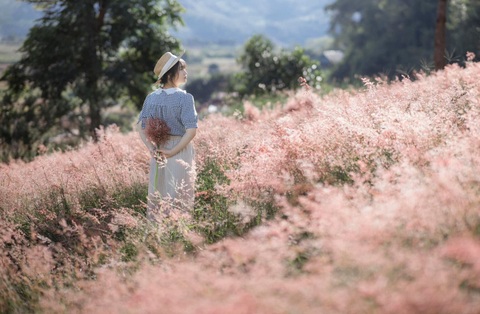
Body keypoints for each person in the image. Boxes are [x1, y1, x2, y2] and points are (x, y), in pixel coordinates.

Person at [137, 51, 198, 219]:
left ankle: (158, 236)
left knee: (159, 192)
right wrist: (173, 151)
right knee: (180, 194)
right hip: (180, 150)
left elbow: (140, 127)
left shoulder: (151, 98)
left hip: (158, 150)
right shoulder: (184, 98)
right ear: (170, 74)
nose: (186, 73)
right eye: (182, 69)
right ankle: (178, 237)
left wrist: (151, 148)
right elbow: (191, 130)